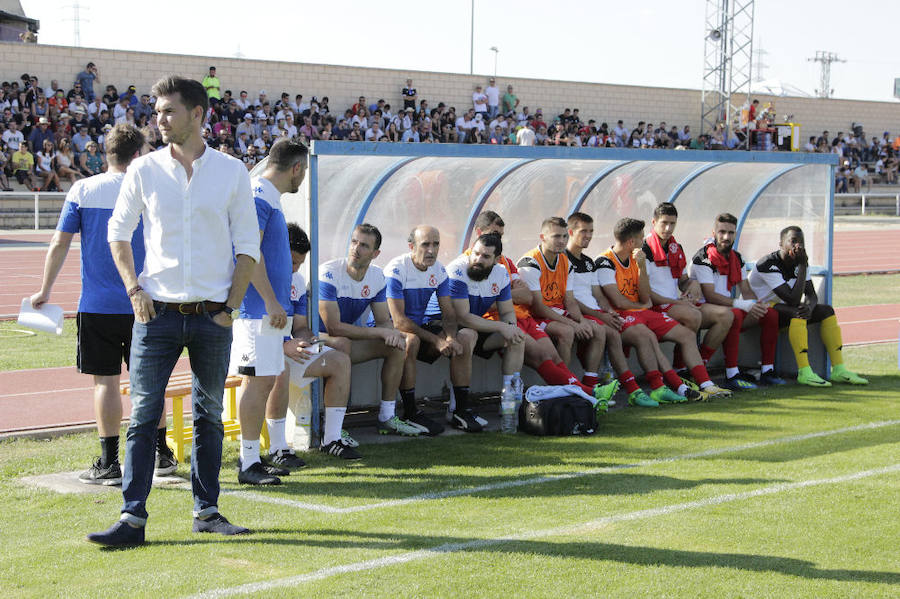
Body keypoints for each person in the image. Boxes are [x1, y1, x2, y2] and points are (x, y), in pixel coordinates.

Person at [92, 76, 260, 547]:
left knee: (208, 413)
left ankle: (207, 511)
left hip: (212, 316)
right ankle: (132, 519)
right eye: (157, 111)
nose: (159, 119)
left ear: (199, 115)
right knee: (144, 414)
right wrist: (133, 290)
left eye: (168, 111)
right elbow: (117, 233)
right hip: (156, 316)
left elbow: (248, 245)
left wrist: (229, 307)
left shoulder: (231, 172)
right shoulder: (143, 170)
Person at [30, 123, 175, 486]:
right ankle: (161, 453)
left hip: (98, 304)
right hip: (145, 301)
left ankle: (109, 460)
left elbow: (59, 243)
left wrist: (45, 289)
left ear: (104, 153)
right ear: (137, 153)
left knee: (105, 383)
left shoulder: (83, 189)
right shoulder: (150, 188)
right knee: (150, 383)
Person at [597, 218, 733, 404]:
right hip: (621, 315)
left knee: (686, 334)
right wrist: (642, 306)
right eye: (641, 238)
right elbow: (618, 302)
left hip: (640, 312)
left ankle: (705, 383)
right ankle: (668, 387)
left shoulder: (635, 259)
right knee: (647, 337)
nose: (643, 242)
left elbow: (645, 296)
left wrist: (642, 267)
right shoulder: (605, 261)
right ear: (631, 242)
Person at [565, 212, 689, 406]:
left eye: (591, 231)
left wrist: (607, 312)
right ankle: (602, 389)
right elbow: (569, 299)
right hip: (576, 315)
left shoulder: (588, 262)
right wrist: (605, 314)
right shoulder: (592, 261)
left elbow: (598, 296)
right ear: (570, 232)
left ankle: (668, 386)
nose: (588, 235)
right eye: (584, 231)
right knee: (627, 334)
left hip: (603, 314)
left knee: (675, 329)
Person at [318, 224, 420, 436]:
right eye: (354, 242)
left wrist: (391, 334)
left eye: (364, 245)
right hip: (315, 340)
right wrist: (381, 332)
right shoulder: (328, 273)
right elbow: (333, 327)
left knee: (399, 346)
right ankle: (332, 425)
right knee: (341, 343)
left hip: (344, 341)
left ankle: (387, 417)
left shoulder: (377, 277)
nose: (356, 248)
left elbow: (383, 320)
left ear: (375, 253)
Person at [384, 225, 480, 433]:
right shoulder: (396, 269)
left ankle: (459, 410)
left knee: (466, 336)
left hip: (419, 328)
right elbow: (398, 321)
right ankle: (410, 413)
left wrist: (451, 338)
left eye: (435, 244)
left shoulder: (439, 270)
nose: (431, 250)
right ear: (411, 246)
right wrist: (437, 340)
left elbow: (449, 313)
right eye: (425, 244)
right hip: (388, 331)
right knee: (411, 340)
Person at [641, 203, 745, 390]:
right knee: (694, 315)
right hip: (656, 306)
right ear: (654, 222)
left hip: (674, 304)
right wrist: (677, 300)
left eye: (672, 224)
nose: (668, 228)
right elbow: (646, 293)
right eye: (664, 223)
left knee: (727, 315)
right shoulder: (645, 249)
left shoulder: (675, 246)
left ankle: (698, 365)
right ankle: (681, 368)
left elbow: (681, 281)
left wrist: (692, 283)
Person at [748, 226, 867, 387]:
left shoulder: (800, 261)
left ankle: (839, 369)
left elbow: (811, 295)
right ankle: (804, 371)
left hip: (782, 311)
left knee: (826, 311)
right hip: (757, 311)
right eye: (793, 241)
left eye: (801, 242)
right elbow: (792, 299)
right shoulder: (768, 264)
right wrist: (803, 266)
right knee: (797, 311)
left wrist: (810, 308)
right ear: (781, 244)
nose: (798, 246)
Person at [690, 213, 786, 387]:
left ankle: (767, 370)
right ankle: (731, 374)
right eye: (722, 232)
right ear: (714, 232)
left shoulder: (737, 257)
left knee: (770, 314)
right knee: (734, 314)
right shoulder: (702, 257)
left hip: (726, 308)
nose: (726, 237)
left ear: (736, 233)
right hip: (703, 308)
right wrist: (742, 304)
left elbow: (746, 289)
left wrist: (757, 305)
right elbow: (710, 295)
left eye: (731, 233)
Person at [447, 233, 526, 408]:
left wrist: (511, 328)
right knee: (467, 336)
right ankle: (457, 407)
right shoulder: (457, 270)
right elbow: (463, 317)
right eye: (475, 253)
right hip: (443, 327)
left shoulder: (501, 272)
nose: (478, 259)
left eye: (485, 256)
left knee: (518, 338)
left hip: (474, 326)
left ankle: (509, 402)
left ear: (497, 259)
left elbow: (507, 312)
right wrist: (501, 326)